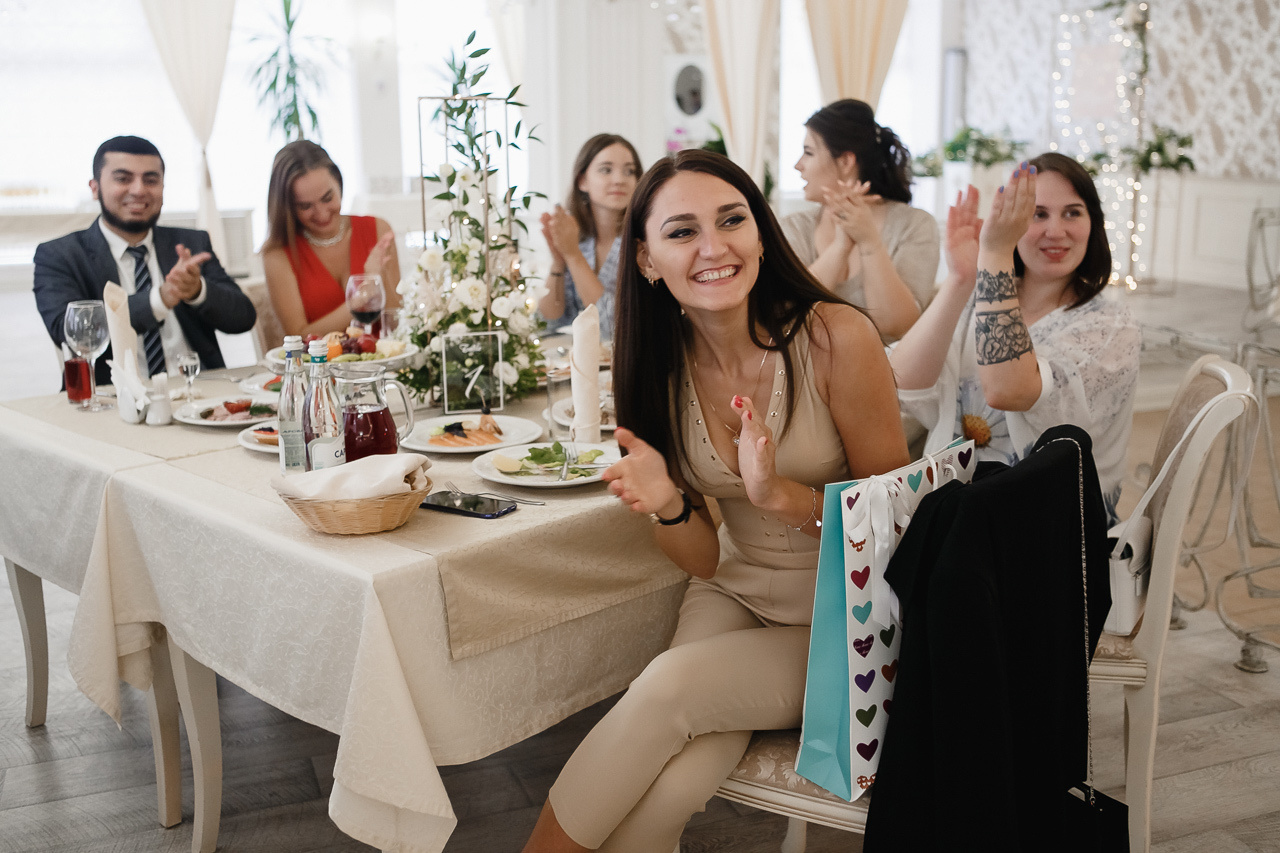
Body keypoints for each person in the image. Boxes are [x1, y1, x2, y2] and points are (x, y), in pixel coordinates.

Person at [522, 150, 908, 852]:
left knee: (667, 689)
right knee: (671, 780)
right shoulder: (654, 369)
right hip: (732, 593)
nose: (713, 247)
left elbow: (901, 523)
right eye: (681, 232)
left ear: (761, 233)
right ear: (645, 260)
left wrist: (781, 495)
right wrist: (669, 503)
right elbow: (701, 556)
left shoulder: (835, 338)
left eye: (732, 220)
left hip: (839, 620)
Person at [889, 153, 1141, 523]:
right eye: (1038, 214)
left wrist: (995, 253)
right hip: (952, 517)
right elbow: (901, 382)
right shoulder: (979, 296)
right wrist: (962, 279)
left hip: (1049, 535)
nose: (1056, 231)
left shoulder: (1111, 326)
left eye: (1073, 213)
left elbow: (1009, 391)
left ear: (1094, 224)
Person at [33, 136, 257, 386]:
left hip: (199, 395)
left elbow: (243, 318)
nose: (139, 190)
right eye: (123, 179)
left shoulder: (191, 243)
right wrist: (158, 300)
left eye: (151, 180)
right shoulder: (60, 255)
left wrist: (197, 291)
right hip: (112, 401)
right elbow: (69, 332)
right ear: (94, 188)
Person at [782, 98, 940, 341]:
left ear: (845, 161)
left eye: (808, 153)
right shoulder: (793, 228)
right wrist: (841, 246)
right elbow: (788, 316)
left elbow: (897, 327)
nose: (797, 165)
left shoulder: (915, 225)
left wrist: (869, 242)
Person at [260, 140, 400, 338]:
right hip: (317, 367)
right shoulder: (277, 255)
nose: (322, 213)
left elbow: (397, 325)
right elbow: (298, 337)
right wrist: (359, 300)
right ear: (288, 207)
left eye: (328, 198)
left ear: (339, 184)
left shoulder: (377, 230)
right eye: (305, 206)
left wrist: (380, 280)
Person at [537, 133, 642, 339]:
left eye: (629, 171)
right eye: (606, 170)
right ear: (583, 180)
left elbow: (613, 326)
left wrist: (573, 256)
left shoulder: (644, 243)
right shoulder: (580, 241)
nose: (619, 179)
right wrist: (559, 262)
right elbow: (547, 323)